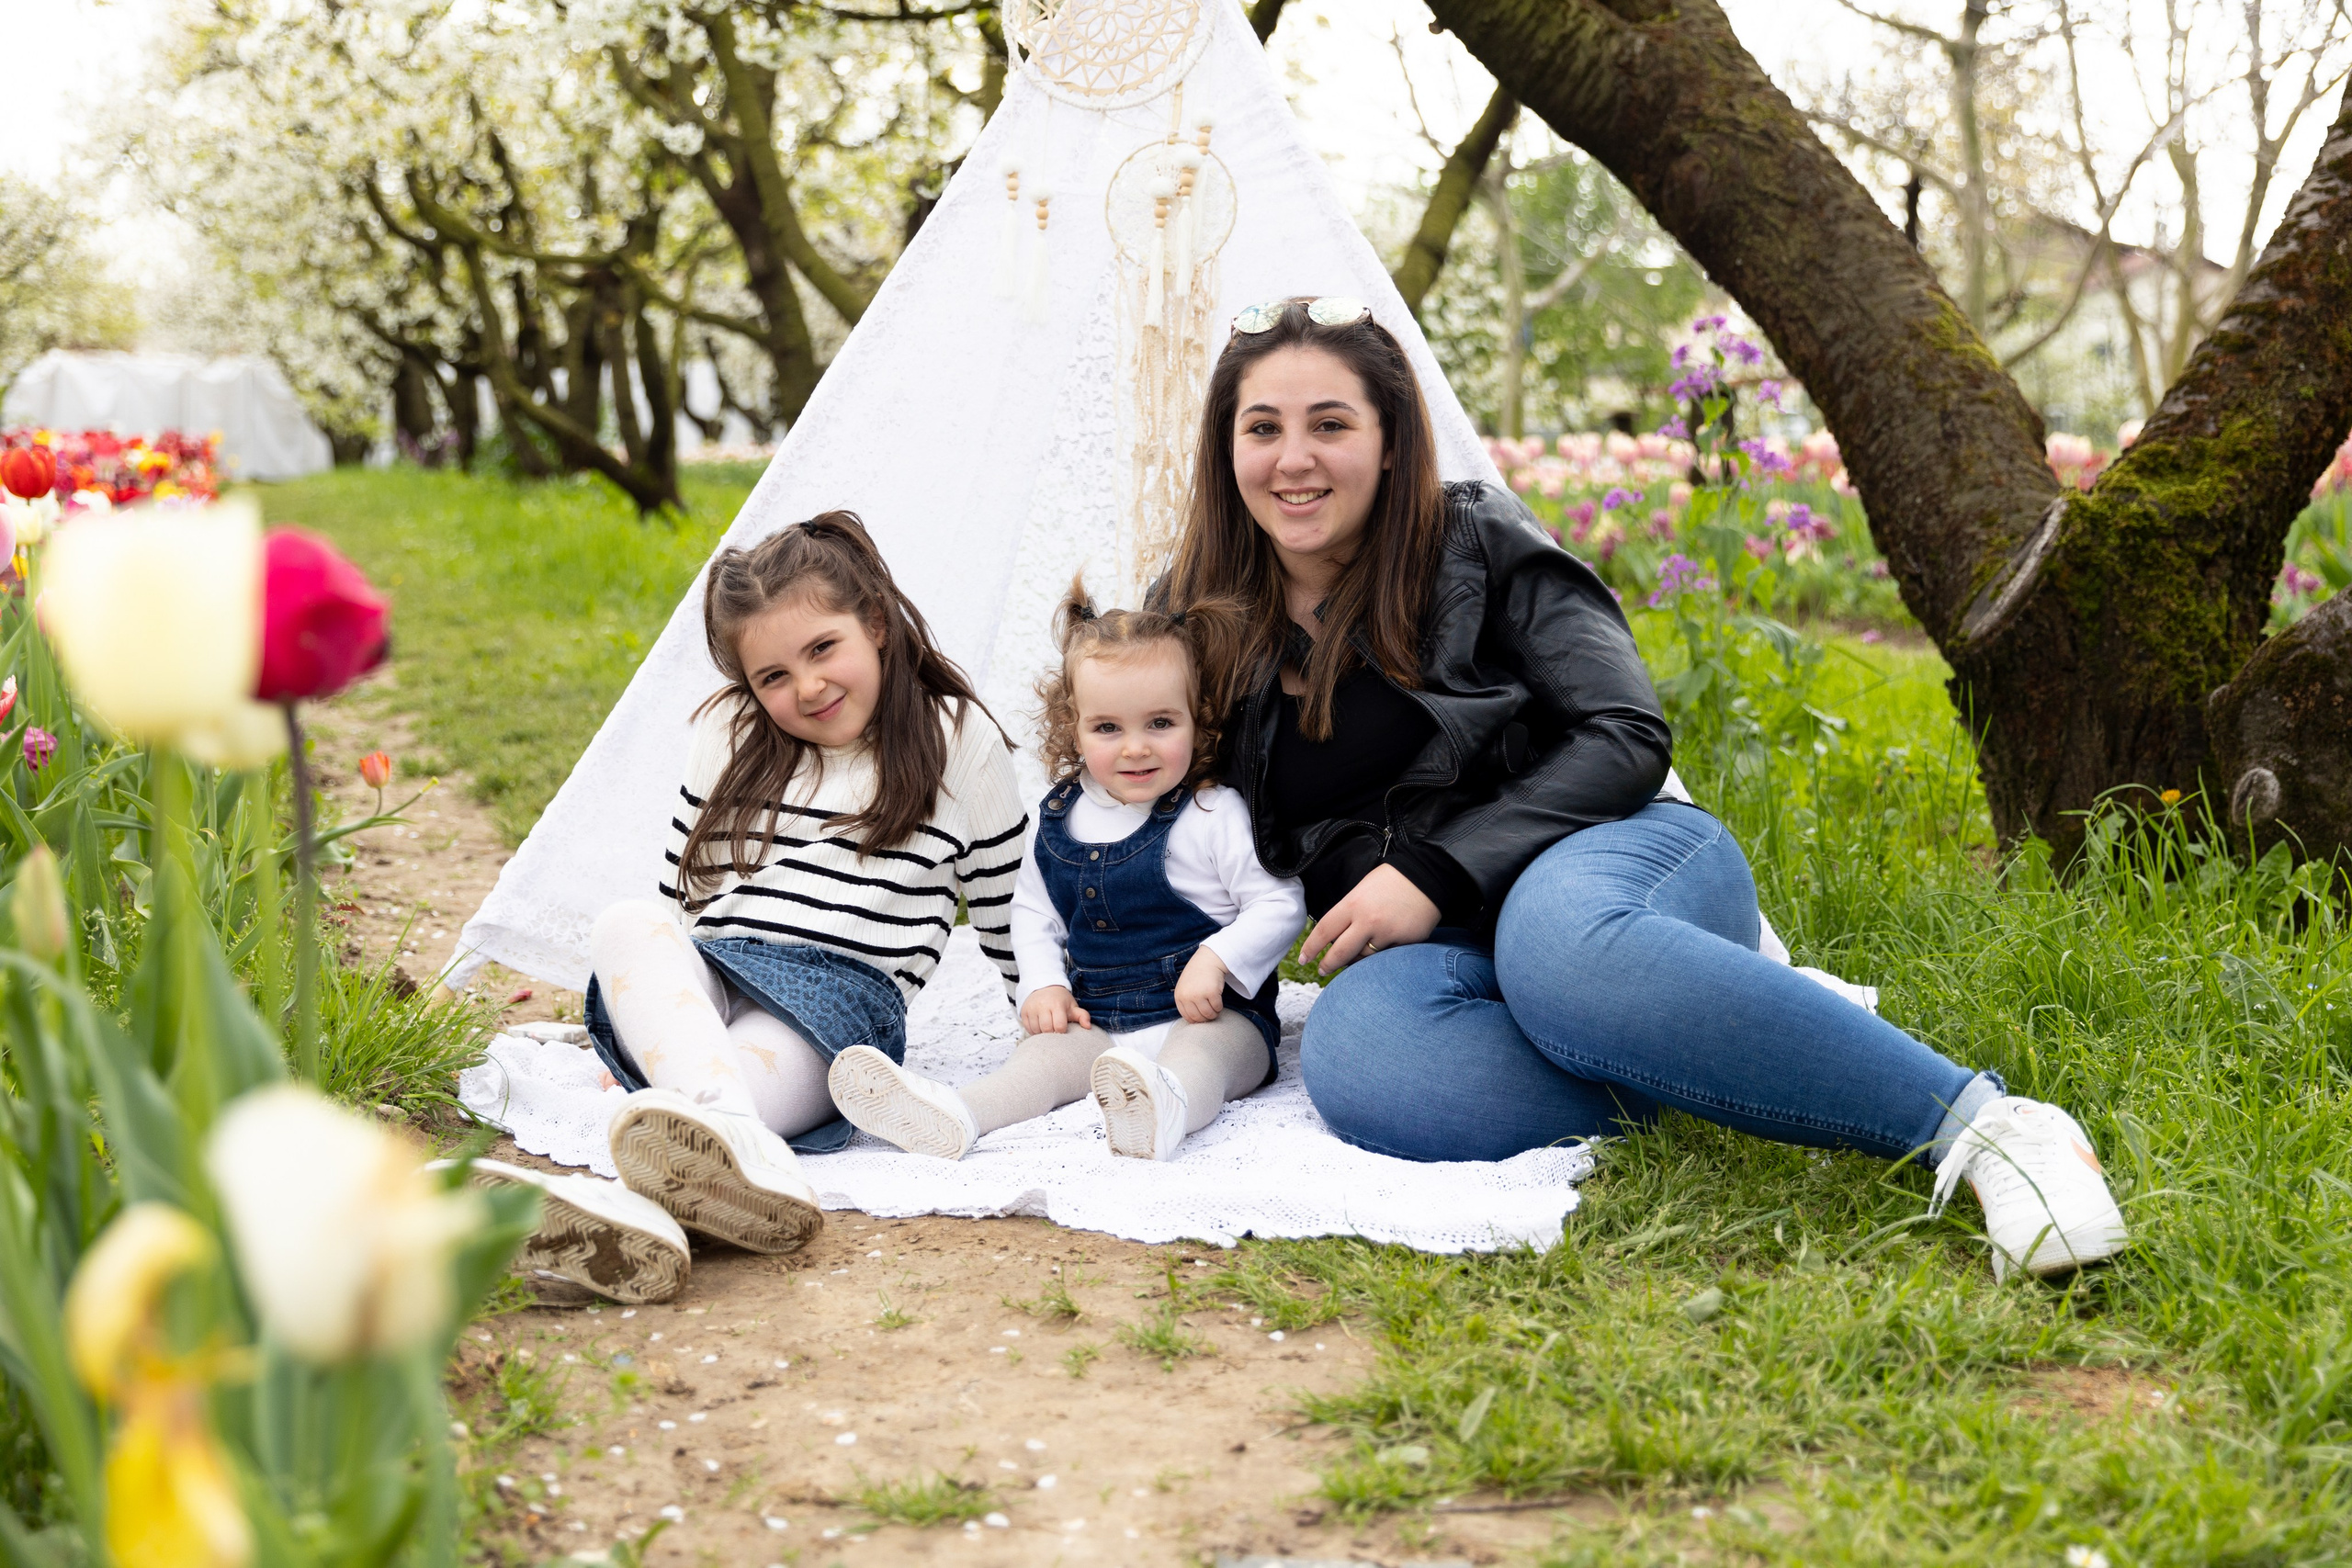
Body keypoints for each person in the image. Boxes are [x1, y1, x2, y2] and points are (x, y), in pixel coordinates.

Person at [1156, 296, 2126, 1281]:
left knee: (1558, 949)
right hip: (1443, 951)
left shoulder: (1473, 540)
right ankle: (1693, 1030)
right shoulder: (1192, 618)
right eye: (1263, 428)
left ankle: (1990, 1128)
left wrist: (1439, 870)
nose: (1294, 459)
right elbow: (1162, 819)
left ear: (1392, 441)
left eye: (1330, 424)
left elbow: (1624, 734)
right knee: (1368, 1061)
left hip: (1612, 851)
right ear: (1225, 447)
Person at [471, 512, 1028, 1300]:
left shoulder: (954, 735)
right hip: (717, 972)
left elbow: (1008, 901)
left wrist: (1041, 998)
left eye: (823, 648)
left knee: (723, 1085)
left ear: (874, 622)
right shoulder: (729, 731)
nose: (806, 686)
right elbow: (680, 893)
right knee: (625, 923)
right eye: (772, 676)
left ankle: (645, 1202)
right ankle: (729, 1164)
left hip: (834, 1002)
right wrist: (640, 1022)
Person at [828, 581, 1306, 1162]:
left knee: (1205, 1059)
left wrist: (1218, 959)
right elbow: (1033, 912)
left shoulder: (1211, 812)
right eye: (1109, 728)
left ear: (1198, 721)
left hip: (1211, 1014)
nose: (1135, 748)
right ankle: (958, 1113)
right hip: (1099, 1018)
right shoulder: (1062, 816)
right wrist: (1044, 984)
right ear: (1073, 729)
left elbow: (1279, 903)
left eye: (1160, 723)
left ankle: (1165, 1106)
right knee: (1041, 1061)